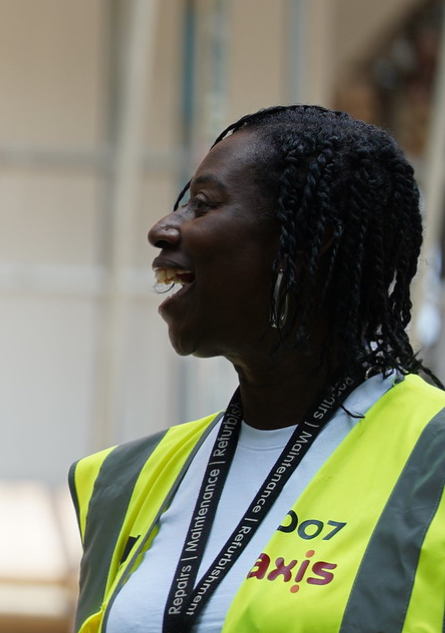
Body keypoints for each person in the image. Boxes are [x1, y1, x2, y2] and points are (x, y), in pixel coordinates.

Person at [70, 105, 445, 633]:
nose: (162, 229)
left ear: (311, 244)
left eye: (203, 205)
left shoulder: (434, 457)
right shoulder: (121, 479)